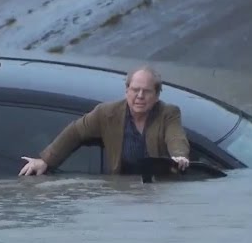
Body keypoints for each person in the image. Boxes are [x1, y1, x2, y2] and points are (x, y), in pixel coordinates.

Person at [18, 65, 190, 176]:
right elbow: (75, 131)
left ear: (157, 95)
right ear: (126, 91)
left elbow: (176, 136)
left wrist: (179, 156)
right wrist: (46, 160)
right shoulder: (107, 114)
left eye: (146, 91)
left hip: (157, 195)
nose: (140, 96)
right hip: (121, 194)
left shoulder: (168, 113)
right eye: (135, 90)